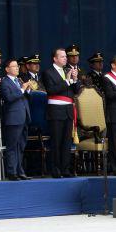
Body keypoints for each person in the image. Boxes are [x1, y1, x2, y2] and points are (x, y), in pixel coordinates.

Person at [41, 48, 79, 178]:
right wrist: (67, 81)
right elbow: (51, 90)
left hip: (68, 110)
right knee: (56, 142)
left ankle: (65, 168)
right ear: (55, 59)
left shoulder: (67, 71)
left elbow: (75, 90)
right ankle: (55, 169)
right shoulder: (48, 72)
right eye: (62, 57)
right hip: (56, 110)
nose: (65, 59)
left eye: (65, 57)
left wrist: (74, 79)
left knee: (67, 142)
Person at [0, 58, 32, 180]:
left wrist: (27, 90)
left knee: (21, 146)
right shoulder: (5, 83)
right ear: (7, 69)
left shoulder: (18, 81)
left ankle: (20, 171)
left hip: (23, 117)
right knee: (12, 146)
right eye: (14, 66)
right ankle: (11, 172)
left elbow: (23, 97)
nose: (17, 68)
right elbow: (9, 98)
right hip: (13, 119)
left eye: (17, 66)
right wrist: (23, 89)